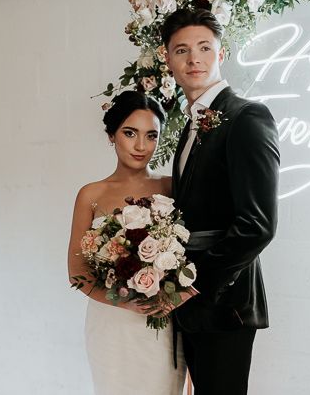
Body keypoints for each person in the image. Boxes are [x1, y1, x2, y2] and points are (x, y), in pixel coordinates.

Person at [161, 8, 280, 395]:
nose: (193, 59)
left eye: (203, 47)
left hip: (224, 302)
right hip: (191, 307)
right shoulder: (190, 126)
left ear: (221, 54)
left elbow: (257, 227)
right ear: (167, 59)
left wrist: (191, 284)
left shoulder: (247, 117)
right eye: (181, 50)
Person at [67, 91, 189, 395]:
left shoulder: (173, 188)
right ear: (111, 135)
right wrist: (121, 301)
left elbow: (195, 259)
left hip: (162, 322)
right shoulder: (91, 194)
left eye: (151, 136)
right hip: (112, 326)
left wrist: (171, 298)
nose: (140, 146)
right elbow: (77, 272)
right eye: (130, 133)